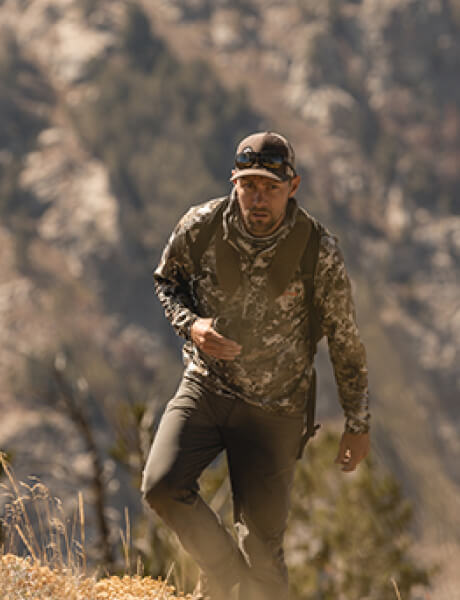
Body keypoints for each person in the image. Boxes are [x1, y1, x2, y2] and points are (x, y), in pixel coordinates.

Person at [141, 131, 370, 600]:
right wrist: (193, 326)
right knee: (161, 486)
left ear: (293, 186)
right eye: (248, 185)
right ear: (234, 182)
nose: (258, 197)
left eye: (269, 186)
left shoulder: (317, 250)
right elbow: (167, 282)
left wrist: (357, 422)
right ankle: (223, 575)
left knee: (263, 550)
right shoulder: (201, 225)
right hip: (206, 387)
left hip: (276, 412)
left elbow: (345, 341)